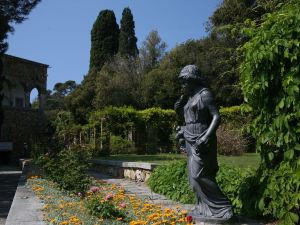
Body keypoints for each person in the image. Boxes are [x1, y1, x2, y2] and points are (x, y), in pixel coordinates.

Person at [175, 65, 233, 220]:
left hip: (202, 138)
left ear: (192, 80)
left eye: (184, 81)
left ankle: (224, 207)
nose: (182, 85)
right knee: (193, 179)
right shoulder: (189, 97)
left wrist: (206, 136)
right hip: (190, 138)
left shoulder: (205, 94)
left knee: (199, 174)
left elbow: (216, 116)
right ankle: (204, 207)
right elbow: (187, 118)